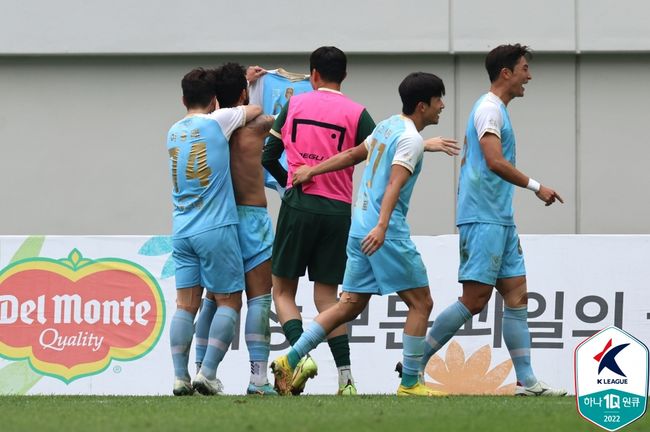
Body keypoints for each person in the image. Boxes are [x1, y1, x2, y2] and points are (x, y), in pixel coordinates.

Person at [270, 72, 459, 397]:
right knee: (421, 303)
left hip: (358, 227)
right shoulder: (410, 139)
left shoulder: (387, 126)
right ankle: (411, 382)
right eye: (439, 100)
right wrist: (384, 226)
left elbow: (353, 154)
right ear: (422, 105)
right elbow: (393, 185)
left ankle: (291, 358)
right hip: (383, 232)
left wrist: (313, 170)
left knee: (348, 305)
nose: (442, 106)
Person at [418, 43, 567, 396]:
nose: (528, 76)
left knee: (516, 295)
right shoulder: (489, 109)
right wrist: (537, 187)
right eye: (524, 68)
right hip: (482, 217)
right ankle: (413, 363)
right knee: (474, 300)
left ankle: (527, 382)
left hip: (499, 218)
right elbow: (494, 160)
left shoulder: (496, 109)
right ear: (506, 73)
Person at [262, 46, 377, 395]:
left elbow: (267, 156)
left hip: (300, 205)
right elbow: (376, 154)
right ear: (344, 76)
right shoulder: (358, 113)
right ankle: (346, 379)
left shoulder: (294, 105)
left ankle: (298, 357)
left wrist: (290, 183)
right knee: (328, 299)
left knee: (282, 290)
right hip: (339, 210)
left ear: (313, 75)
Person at [167, 67, 261, 396]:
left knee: (185, 306)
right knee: (229, 302)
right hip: (216, 228)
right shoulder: (218, 121)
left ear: (182, 99)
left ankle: (180, 377)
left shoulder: (173, 131)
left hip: (181, 230)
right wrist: (248, 85)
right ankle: (207, 373)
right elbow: (256, 110)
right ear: (214, 100)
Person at [193, 62, 278, 395]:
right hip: (253, 218)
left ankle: (201, 368)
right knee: (259, 298)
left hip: (219, 220)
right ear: (244, 93)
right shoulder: (257, 126)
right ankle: (258, 379)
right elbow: (280, 116)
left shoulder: (209, 128)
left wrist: (244, 85)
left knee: (214, 300)